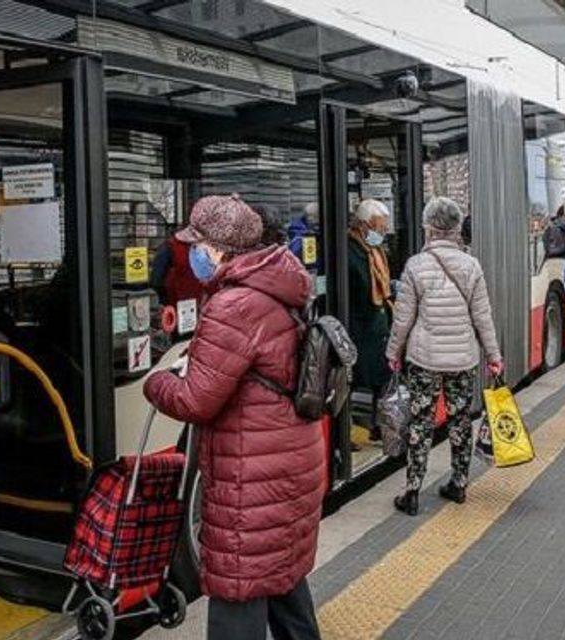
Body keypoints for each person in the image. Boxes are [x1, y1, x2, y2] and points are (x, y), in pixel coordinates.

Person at [144, 195, 323, 640]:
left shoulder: (233, 304)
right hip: (289, 460)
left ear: (219, 250)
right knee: (282, 580)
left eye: (197, 245)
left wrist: (156, 381)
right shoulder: (281, 283)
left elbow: (194, 401)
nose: (193, 255)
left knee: (239, 587)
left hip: (252, 475)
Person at [386, 197, 503, 516]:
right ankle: (459, 484)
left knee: (420, 423)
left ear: (428, 227)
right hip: (463, 360)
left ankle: (412, 492)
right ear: (455, 229)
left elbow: (403, 318)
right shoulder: (471, 265)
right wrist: (494, 355)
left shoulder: (415, 265)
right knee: (460, 421)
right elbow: (483, 316)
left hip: (424, 360)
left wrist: (393, 352)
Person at [347, 199, 394, 441]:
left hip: (378, 330)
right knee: (361, 382)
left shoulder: (375, 250)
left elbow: (383, 285)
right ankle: (358, 432)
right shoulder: (349, 249)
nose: (382, 233)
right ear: (365, 226)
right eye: (379, 228)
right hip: (360, 330)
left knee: (379, 380)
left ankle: (375, 427)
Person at [150, 231, 204, 307]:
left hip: (174, 302)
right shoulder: (206, 247)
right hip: (199, 303)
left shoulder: (170, 246)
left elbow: (156, 280)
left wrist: (164, 300)